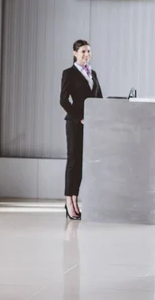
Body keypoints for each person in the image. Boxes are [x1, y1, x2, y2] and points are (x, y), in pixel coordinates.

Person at [59, 40, 103, 220]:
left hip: (91, 125)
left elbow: (98, 98)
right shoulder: (68, 73)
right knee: (73, 162)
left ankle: (76, 199)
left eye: (89, 51)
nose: (87, 54)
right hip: (76, 123)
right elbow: (63, 100)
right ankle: (69, 201)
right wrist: (80, 117)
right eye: (83, 51)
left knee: (83, 163)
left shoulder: (93, 73)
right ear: (75, 53)